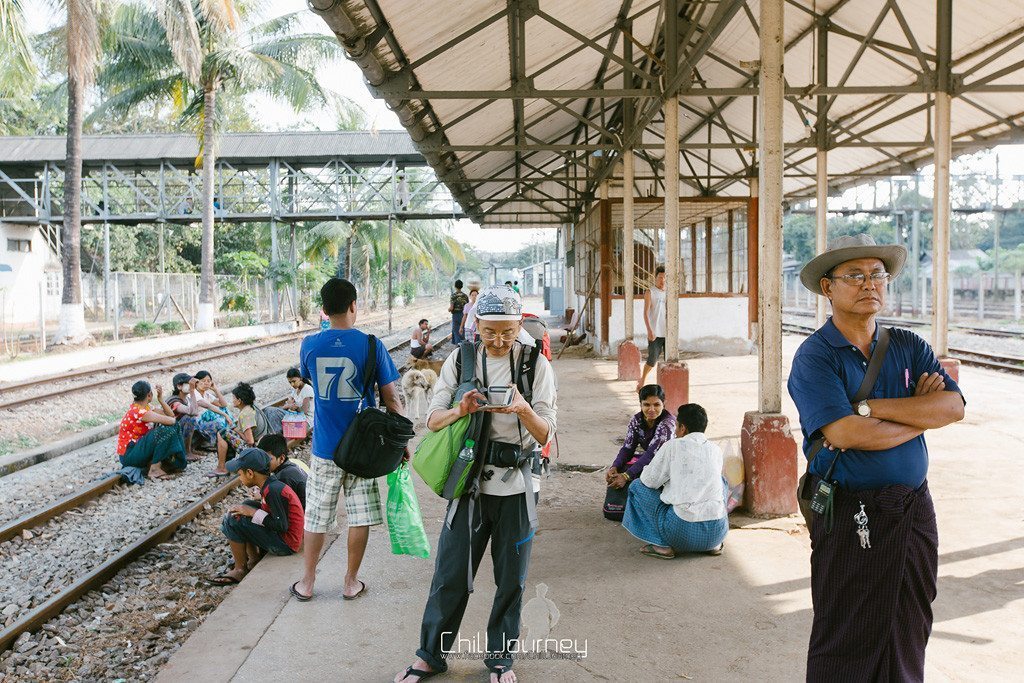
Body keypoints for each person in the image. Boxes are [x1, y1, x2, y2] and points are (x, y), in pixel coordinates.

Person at [786, 234, 965, 682]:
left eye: (877, 275)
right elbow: (844, 432)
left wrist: (870, 408)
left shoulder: (908, 346)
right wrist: (919, 415)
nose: (870, 284)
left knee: (910, 618)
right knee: (848, 626)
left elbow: (953, 407)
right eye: (856, 276)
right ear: (828, 288)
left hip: (912, 507)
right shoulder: (815, 357)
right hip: (851, 510)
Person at [396, 284, 558, 683]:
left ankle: (501, 660)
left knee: (511, 579)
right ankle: (430, 655)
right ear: (476, 326)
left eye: (507, 331)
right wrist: (460, 408)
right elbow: (432, 421)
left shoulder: (537, 365)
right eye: (489, 331)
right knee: (451, 573)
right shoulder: (460, 359)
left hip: (519, 487)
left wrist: (522, 409)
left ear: (519, 325)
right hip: (470, 483)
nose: (498, 340)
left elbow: (546, 433)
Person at [290, 278, 407, 602]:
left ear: (324, 310)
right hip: (363, 448)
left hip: (325, 448)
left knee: (317, 517)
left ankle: (308, 582)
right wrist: (401, 442)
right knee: (360, 516)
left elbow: (310, 378)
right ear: (354, 305)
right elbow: (392, 400)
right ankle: (350, 582)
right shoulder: (371, 344)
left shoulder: (310, 345)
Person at [621, 403, 728, 559]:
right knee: (722, 481)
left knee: (636, 486)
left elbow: (649, 481)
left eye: (676, 425)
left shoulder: (672, 446)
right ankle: (713, 546)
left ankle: (662, 545)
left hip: (680, 533)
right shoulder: (716, 449)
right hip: (717, 533)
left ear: (682, 428)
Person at [210, 448, 304, 585]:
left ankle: (240, 569)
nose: (239, 478)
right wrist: (250, 510)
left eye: (239, 474)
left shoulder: (273, 490)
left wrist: (253, 513)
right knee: (247, 504)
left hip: (287, 544)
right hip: (286, 538)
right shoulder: (270, 485)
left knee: (233, 519)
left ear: (249, 473)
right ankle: (253, 558)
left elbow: (281, 525)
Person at [604, 385, 676, 520]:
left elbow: (653, 455)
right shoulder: (636, 420)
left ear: (664, 404)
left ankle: (647, 512)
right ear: (640, 404)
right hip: (652, 460)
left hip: (669, 464)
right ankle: (622, 510)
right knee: (622, 469)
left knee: (634, 475)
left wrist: (626, 476)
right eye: (646, 404)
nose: (651, 409)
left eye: (656, 404)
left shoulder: (667, 424)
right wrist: (615, 467)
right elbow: (627, 448)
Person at [116, 380, 187, 480]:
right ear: (149, 395)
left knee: (174, 427)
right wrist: (169, 420)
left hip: (138, 448)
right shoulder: (140, 411)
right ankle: (155, 469)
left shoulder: (145, 408)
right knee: (164, 430)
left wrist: (161, 399)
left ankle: (175, 461)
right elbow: (171, 420)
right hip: (129, 455)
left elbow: (171, 415)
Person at [167, 373, 227, 461]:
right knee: (190, 419)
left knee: (201, 424)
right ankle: (187, 452)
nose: (192, 385)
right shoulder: (175, 401)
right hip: (173, 434)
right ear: (179, 386)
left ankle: (192, 448)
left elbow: (221, 405)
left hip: (182, 431)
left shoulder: (187, 398)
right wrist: (192, 390)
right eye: (189, 383)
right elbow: (193, 412)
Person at [210, 382, 258, 478]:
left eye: (233, 398)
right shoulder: (251, 408)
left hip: (253, 451)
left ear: (239, 400)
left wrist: (237, 431)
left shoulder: (245, 414)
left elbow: (250, 441)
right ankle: (226, 465)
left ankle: (222, 467)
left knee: (223, 433)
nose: (232, 400)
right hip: (258, 447)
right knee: (229, 431)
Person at [636, 265, 667, 392]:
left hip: (668, 332)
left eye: (665, 278)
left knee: (668, 360)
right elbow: (645, 313)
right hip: (655, 332)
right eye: (660, 277)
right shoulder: (650, 292)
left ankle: (664, 386)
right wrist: (649, 330)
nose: (662, 280)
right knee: (652, 359)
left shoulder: (669, 292)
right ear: (655, 278)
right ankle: (642, 380)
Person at [258, 433, 309, 507]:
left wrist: (262, 496)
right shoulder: (291, 466)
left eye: (267, 459)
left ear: (281, 458)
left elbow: (280, 509)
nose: (263, 462)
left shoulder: (283, 477)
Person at [282, 368, 315, 450]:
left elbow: (304, 411)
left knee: (290, 431)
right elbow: (285, 406)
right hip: (297, 417)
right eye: (290, 382)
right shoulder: (295, 390)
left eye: (294, 381)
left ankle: (286, 448)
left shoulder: (307, 389)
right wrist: (291, 406)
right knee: (286, 428)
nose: (292, 384)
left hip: (307, 419)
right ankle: (286, 446)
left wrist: (292, 406)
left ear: (300, 378)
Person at [449, 280, 470, 346]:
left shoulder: (453, 296)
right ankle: (463, 346)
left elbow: (451, 308)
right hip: (464, 315)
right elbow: (467, 306)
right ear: (462, 286)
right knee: (463, 330)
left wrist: (449, 309)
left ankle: (458, 347)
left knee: (456, 331)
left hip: (456, 315)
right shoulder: (465, 296)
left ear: (455, 286)